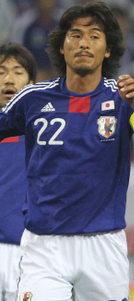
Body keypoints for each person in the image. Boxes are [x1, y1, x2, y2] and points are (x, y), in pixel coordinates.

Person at [0, 2, 134, 301]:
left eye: (94, 35)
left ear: (109, 49)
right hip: (44, 246)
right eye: (75, 35)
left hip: (103, 245)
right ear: (61, 47)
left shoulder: (123, 97)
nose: (84, 43)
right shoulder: (32, 98)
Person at [0, 42, 36, 301]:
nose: (8, 79)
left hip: (27, 254)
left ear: (32, 84)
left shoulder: (45, 134)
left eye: (17, 71)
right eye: (0, 72)